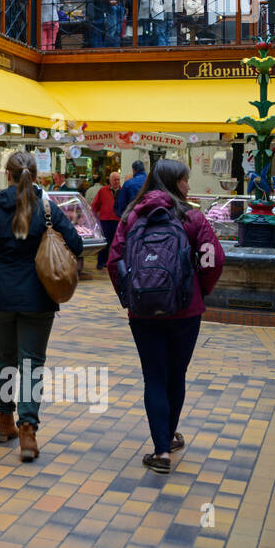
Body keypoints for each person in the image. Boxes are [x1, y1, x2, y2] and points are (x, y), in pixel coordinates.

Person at [0, 151, 84, 462]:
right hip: (38, 298)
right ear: (35, 175)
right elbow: (76, 243)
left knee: (4, 359)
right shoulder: (47, 208)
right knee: (31, 363)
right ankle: (27, 430)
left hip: (2, 297)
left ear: (7, 175)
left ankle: (3, 422)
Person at [107, 160, 224, 473]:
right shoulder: (192, 216)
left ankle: (161, 451)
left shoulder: (132, 215)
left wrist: (130, 296)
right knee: (176, 374)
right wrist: (198, 291)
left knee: (154, 376)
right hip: (186, 311)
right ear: (175, 183)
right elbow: (213, 259)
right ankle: (168, 436)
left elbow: (114, 260)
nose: (188, 186)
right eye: (185, 180)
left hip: (143, 312)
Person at [92, 170, 121, 270]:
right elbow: (95, 204)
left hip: (118, 220)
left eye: (118, 179)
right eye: (115, 180)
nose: (117, 181)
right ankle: (101, 262)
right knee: (105, 243)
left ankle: (112, 263)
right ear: (110, 180)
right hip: (105, 220)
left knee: (116, 243)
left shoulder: (123, 191)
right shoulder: (103, 190)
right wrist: (94, 217)